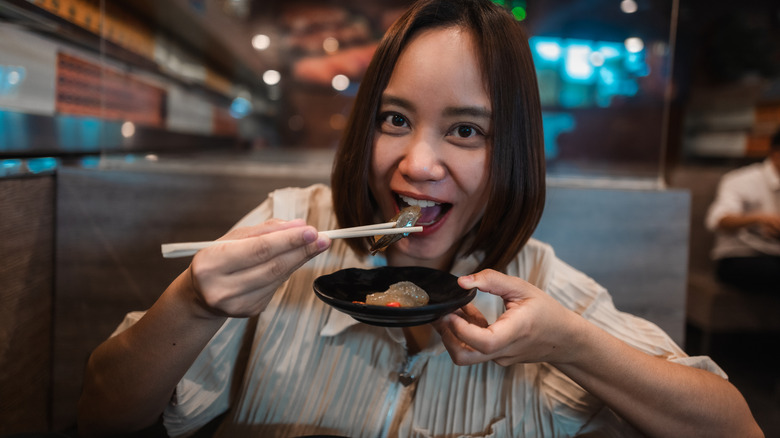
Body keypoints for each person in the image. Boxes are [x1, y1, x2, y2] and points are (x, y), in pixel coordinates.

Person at [77, 0, 763, 437]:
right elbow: (100, 416)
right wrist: (195, 302)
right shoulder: (287, 227)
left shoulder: (546, 288)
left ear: (512, 152)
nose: (418, 163)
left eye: (465, 131)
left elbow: (735, 429)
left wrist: (573, 346)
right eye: (395, 119)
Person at [705, 130, 780, 291]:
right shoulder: (742, 179)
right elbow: (718, 220)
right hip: (740, 256)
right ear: (776, 152)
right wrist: (757, 219)